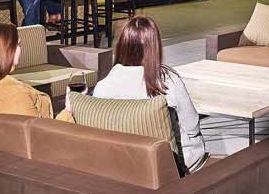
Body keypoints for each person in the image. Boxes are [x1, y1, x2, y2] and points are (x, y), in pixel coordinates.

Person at [89, 16, 208, 173]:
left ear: (122, 46)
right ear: (155, 47)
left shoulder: (102, 87)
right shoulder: (168, 83)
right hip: (166, 169)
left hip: (118, 166)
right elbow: (192, 126)